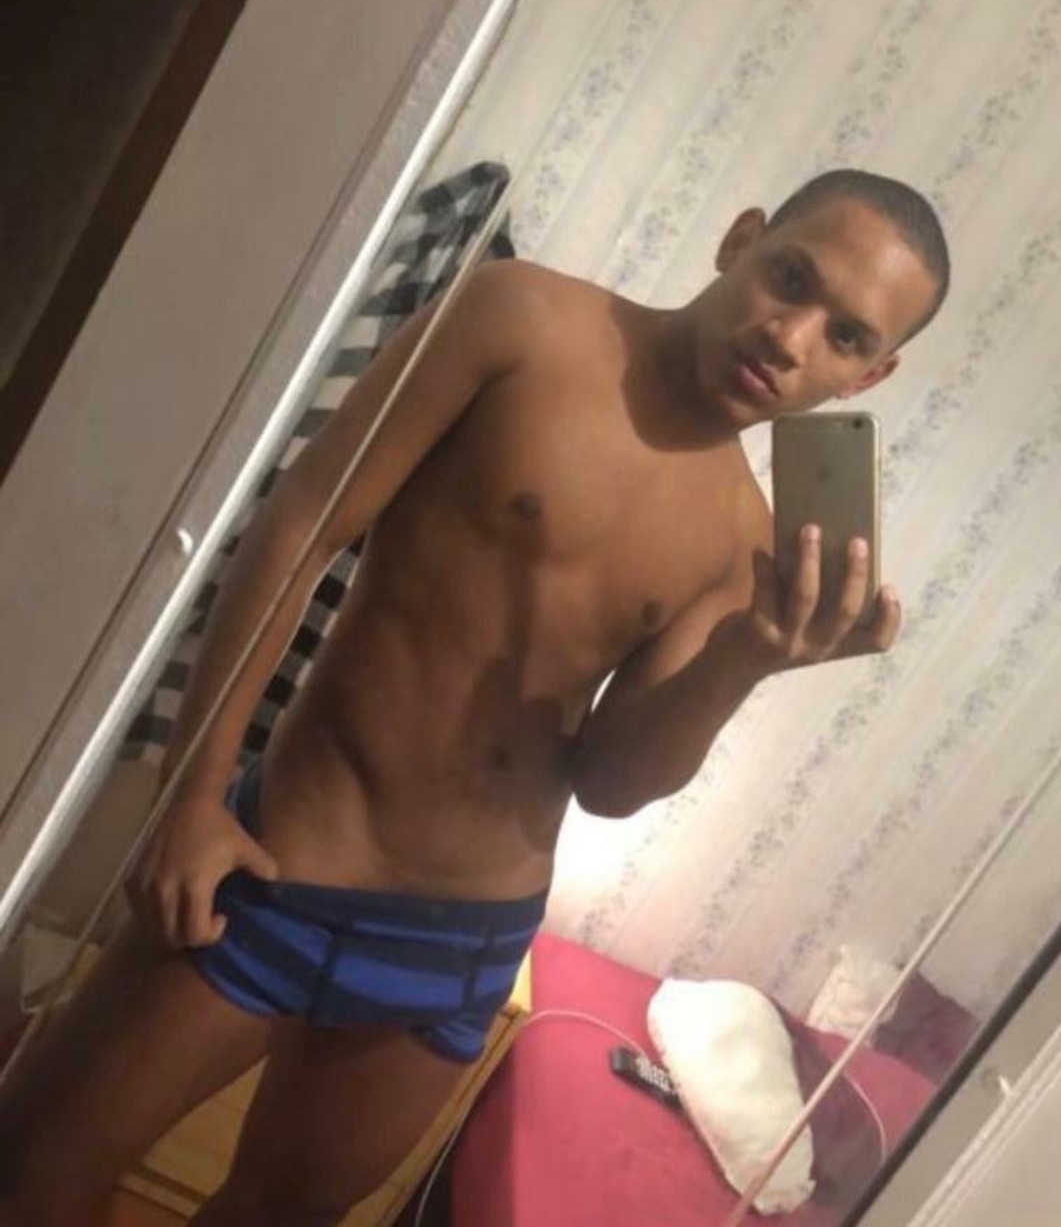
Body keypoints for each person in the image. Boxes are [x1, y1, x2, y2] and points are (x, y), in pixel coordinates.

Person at [0, 168, 948, 1226]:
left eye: (846, 337)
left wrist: (747, 659)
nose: (792, 336)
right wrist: (194, 790)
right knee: (33, 1165)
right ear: (742, 238)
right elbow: (303, 524)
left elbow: (610, 781)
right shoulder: (519, 320)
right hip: (279, 859)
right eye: (791, 277)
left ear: (871, 375)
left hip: (460, 942)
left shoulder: (745, 541)